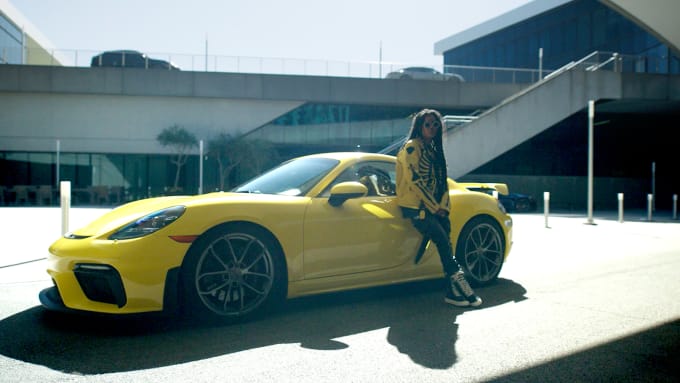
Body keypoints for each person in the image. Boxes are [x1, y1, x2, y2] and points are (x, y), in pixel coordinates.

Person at [395, 108, 482, 308]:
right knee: (443, 243)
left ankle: (453, 291)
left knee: (447, 245)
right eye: (428, 124)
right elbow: (414, 180)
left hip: (435, 208)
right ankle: (462, 287)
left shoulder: (433, 151)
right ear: (419, 126)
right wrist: (434, 207)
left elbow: (441, 182)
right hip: (417, 208)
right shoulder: (411, 148)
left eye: (436, 125)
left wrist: (443, 206)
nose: (432, 128)